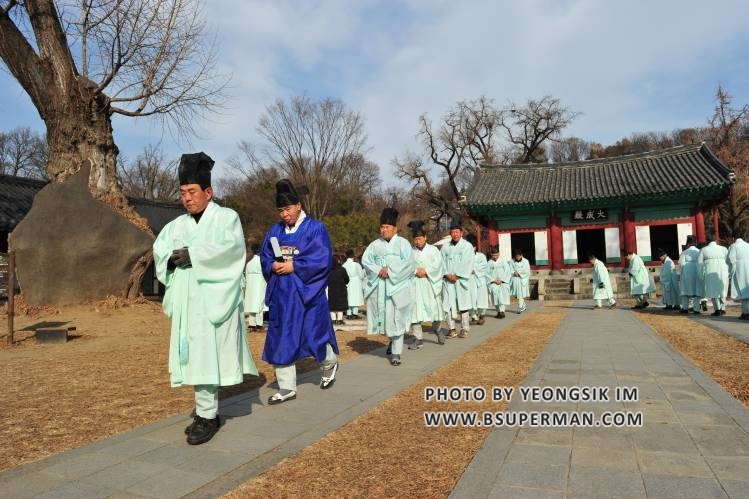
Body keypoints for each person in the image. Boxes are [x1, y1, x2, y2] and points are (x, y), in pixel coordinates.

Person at [153, 152, 257, 445]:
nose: (187, 198)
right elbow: (160, 251)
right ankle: (204, 411)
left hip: (214, 302)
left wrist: (194, 255)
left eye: (192, 192)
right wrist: (172, 261)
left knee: (207, 356)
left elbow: (233, 252)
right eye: (183, 192)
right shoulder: (176, 225)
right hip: (189, 301)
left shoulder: (227, 218)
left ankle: (208, 415)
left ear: (208, 192)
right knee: (195, 355)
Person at [260, 179, 339, 405]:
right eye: (280, 210)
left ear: (298, 206)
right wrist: (272, 265)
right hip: (283, 296)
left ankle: (329, 364)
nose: (284, 214)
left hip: (307, 294)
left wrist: (295, 265)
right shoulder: (275, 231)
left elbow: (322, 259)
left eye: (287, 209)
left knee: (314, 334)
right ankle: (286, 387)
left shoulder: (315, 228)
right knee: (281, 336)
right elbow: (265, 256)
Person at [362, 208, 415, 366]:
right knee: (385, 321)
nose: (384, 230)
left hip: (397, 288)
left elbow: (409, 264)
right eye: (382, 227)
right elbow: (366, 261)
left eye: (387, 227)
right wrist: (379, 270)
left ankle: (397, 353)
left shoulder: (403, 244)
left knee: (396, 319)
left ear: (395, 229)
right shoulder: (374, 245)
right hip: (380, 289)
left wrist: (390, 271)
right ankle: (392, 342)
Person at [407, 220, 445, 349]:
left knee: (435, 310)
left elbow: (438, 265)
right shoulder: (409, 252)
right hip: (415, 285)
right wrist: (415, 271)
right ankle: (418, 338)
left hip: (430, 283)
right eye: (415, 239)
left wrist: (427, 271)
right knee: (415, 313)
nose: (417, 241)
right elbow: (405, 267)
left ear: (425, 237)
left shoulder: (434, 250)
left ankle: (438, 329)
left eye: (420, 238)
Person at [440, 219, 475, 338]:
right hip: (448, 280)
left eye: (457, 232)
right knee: (448, 304)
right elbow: (441, 262)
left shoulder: (467, 246)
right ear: (450, 233)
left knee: (463, 304)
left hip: (461, 280)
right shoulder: (445, 247)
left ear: (461, 233)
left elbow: (468, 262)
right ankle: (452, 329)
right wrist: (446, 274)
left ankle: (465, 328)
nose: (455, 234)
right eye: (452, 232)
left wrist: (457, 275)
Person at [698, 236, 729, 316]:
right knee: (722, 289)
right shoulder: (723, 249)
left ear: (707, 240)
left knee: (713, 289)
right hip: (723, 271)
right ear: (716, 240)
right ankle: (722, 308)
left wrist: (701, 274)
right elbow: (728, 261)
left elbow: (699, 264)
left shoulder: (704, 250)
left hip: (710, 271)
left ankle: (717, 309)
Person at [465, 234, 490, 325]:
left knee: (481, 298)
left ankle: (482, 315)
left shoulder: (481, 256)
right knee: (471, 298)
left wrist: (475, 270)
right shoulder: (464, 257)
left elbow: (485, 267)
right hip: (469, 280)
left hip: (480, 279)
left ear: (475, 247)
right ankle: (474, 317)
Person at [243, 243, 267, 331]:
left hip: (251, 285)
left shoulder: (249, 263)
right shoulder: (262, 261)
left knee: (252, 304)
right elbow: (266, 272)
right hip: (260, 283)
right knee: (259, 304)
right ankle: (259, 325)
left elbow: (246, 276)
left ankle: (252, 324)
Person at [727, 228, 749, 320]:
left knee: (742, 291)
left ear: (733, 238)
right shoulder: (748, 245)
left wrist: (730, 273)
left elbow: (731, 261)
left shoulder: (733, 246)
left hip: (740, 269)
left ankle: (746, 312)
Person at [678, 235, 702, 314]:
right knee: (696, 290)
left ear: (688, 243)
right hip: (697, 272)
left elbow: (681, 264)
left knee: (685, 291)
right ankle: (696, 309)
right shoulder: (699, 251)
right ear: (695, 242)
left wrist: (681, 273)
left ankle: (685, 308)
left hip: (687, 272)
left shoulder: (684, 252)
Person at [487, 245, 512, 318]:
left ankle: (502, 311)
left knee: (502, 298)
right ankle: (498, 311)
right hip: (493, 283)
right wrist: (493, 280)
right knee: (495, 298)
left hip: (502, 283)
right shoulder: (489, 263)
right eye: (493, 255)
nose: (495, 256)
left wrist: (502, 280)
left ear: (499, 253)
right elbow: (486, 274)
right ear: (491, 254)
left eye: (496, 255)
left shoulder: (503, 262)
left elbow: (508, 272)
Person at [342, 249, 365, 320]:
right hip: (356, 282)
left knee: (348, 297)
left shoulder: (344, 265)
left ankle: (348, 314)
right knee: (355, 297)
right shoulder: (356, 265)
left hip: (347, 282)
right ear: (353, 256)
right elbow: (361, 275)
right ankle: (355, 313)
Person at [328, 255, 350, 325]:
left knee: (332, 305)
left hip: (331, 289)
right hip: (341, 289)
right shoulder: (342, 269)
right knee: (340, 305)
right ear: (338, 261)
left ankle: (333, 320)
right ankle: (340, 320)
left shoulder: (329, 270)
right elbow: (347, 279)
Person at [510, 248, 531, 313]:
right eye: (516, 256)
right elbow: (509, 269)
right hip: (515, 279)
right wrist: (513, 272)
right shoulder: (512, 261)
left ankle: (520, 307)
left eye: (519, 256)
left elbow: (527, 270)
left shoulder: (526, 261)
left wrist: (519, 273)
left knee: (520, 293)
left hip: (522, 279)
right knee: (518, 294)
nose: (518, 257)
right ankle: (523, 305)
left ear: (521, 255)